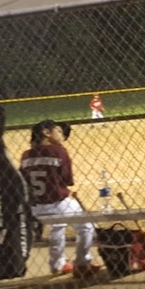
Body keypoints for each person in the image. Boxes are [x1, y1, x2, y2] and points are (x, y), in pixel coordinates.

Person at [20, 119, 101, 278]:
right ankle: (82, 263)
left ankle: (58, 264)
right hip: (58, 203)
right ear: (46, 133)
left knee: (58, 226)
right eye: (59, 131)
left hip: (34, 207)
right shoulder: (59, 152)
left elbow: (22, 181)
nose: (62, 136)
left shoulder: (26, 155)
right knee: (87, 226)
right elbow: (68, 180)